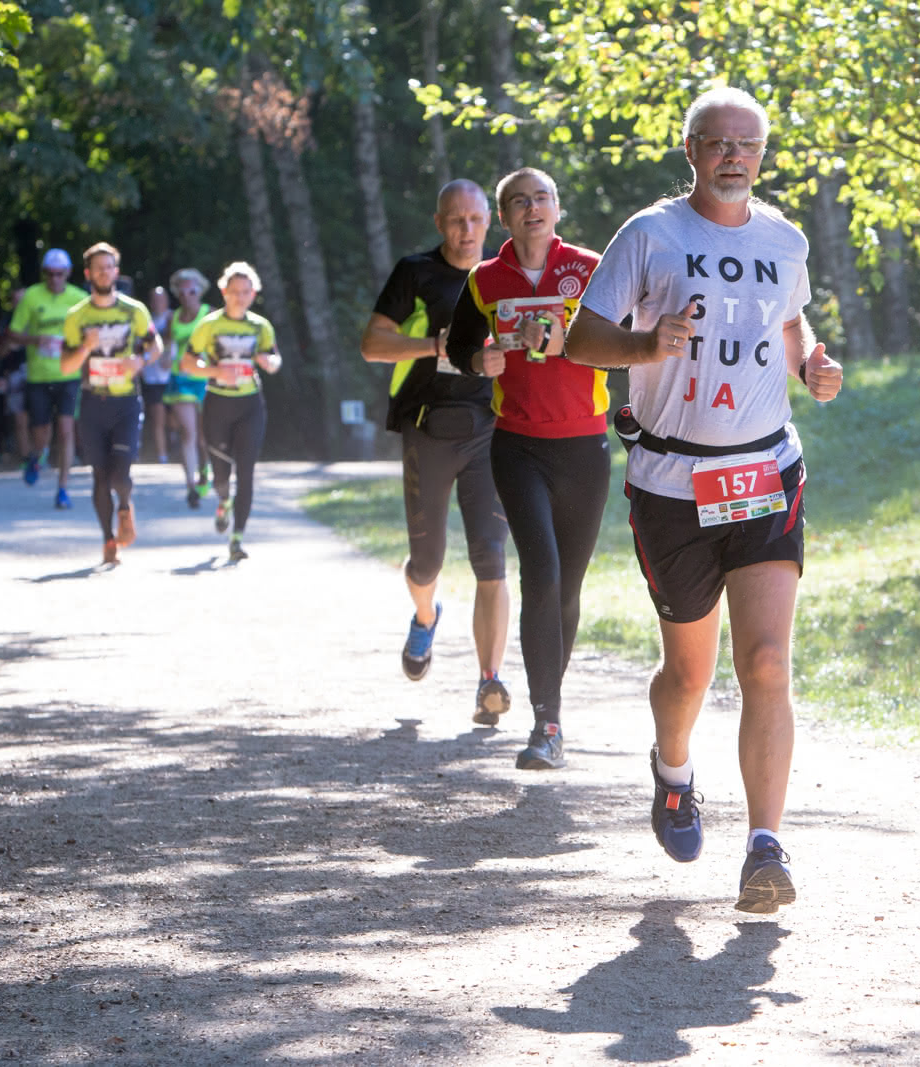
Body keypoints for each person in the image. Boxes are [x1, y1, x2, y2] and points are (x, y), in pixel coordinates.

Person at [563, 87, 844, 914]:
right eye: (717, 142)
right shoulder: (649, 234)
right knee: (688, 673)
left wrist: (814, 366)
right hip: (672, 484)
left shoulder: (784, 239)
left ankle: (765, 846)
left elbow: (790, 330)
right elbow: (582, 339)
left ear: (762, 156)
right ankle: (674, 769)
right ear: (690, 151)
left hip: (765, 474)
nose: (733, 156)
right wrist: (646, 345)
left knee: (764, 661)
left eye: (747, 145)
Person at [446, 167, 610, 771]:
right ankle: (548, 722)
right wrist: (479, 358)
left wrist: (577, 341)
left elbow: (627, 340)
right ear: (506, 217)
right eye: (519, 202)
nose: (532, 209)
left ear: (557, 209)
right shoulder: (485, 280)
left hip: (584, 447)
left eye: (542, 198)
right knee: (539, 574)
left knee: (566, 589)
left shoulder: (591, 269)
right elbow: (461, 345)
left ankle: (551, 709)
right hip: (517, 445)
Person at [360, 179, 513, 724]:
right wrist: (436, 346)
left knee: (491, 560)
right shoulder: (415, 272)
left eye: (475, 220)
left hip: (490, 430)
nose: (467, 230)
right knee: (427, 562)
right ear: (439, 222)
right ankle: (426, 616)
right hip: (428, 428)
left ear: (489, 222)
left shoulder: (504, 275)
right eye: (456, 220)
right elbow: (373, 344)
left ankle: (489, 681)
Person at [58, 242, 161, 565]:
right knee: (100, 477)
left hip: (127, 403)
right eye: (98, 268)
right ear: (88, 274)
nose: (105, 272)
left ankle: (125, 507)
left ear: (117, 271)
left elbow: (155, 345)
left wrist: (140, 360)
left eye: (109, 266)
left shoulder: (135, 311)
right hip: (92, 404)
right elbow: (65, 367)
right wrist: (86, 348)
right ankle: (108, 540)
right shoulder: (77, 316)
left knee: (120, 475)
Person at [178, 262, 282, 562]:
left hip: (250, 404)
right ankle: (222, 500)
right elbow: (187, 363)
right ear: (224, 292)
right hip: (217, 403)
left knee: (246, 472)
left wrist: (268, 363)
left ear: (254, 293)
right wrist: (214, 370)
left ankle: (237, 537)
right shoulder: (209, 325)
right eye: (234, 291)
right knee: (222, 473)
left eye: (246, 291)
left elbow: (275, 360)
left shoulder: (261, 326)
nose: (240, 297)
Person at [8, 249, 89, 508]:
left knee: (66, 430)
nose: (55, 279)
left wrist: (77, 346)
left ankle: (63, 488)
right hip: (39, 375)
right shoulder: (31, 296)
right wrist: (35, 339)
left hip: (69, 374)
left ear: (68, 274)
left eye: (60, 274)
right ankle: (36, 455)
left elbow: (92, 334)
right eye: (50, 274)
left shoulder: (79, 298)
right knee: (41, 430)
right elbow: (12, 333)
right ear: (44, 274)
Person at [163, 268, 214, 509]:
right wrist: (164, 357)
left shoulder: (210, 314)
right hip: (181, 378)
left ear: (199, 291)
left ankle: (204, 472)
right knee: (188, 433)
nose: (186, 296)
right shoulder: (172, 318)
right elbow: (166, 345)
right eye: (181, 292)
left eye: (191, 291)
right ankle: (191, 486)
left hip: (205, 378)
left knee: (205, 438)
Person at [0, 285, 31, 462]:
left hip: (38, 372)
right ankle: (26, 458)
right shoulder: (6, 320)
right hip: (15, 373)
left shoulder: (36, 317)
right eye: (16, 300)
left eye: (22, 300)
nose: (19, 304)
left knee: (41, 417)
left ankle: (40, 455)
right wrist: (11, 343)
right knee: (19, 417)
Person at [142, 285, 174, 463]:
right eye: (154, 300)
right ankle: (163, 456)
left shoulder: (174, 318)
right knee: (158, 418)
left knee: (176, 419)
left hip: (173, 377)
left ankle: (176, 447)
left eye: (161, 299)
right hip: (152, 378)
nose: (158, 303)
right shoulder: (147, 322)